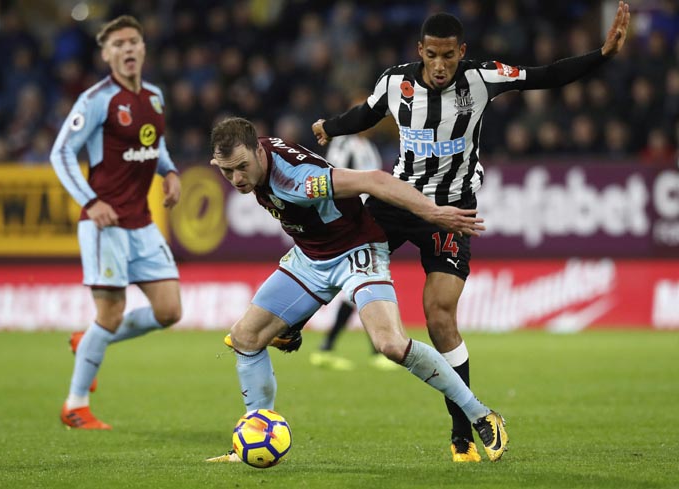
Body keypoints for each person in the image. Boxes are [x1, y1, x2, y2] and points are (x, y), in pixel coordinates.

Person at [311, 3, 631, 462]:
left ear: (462, 52)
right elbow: (365, 113)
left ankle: (463, 432)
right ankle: (294, 328)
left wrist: (602, 53)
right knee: (340, 254)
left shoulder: (483, 78)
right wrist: (330, 126)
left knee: (438, 316)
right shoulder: (394, 82)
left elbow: (547, 75)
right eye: (432, 56)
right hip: (399, 201)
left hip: (453, 209)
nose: (440, 66)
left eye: (449, 56)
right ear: (420, 51)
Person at [205, 117, 508, 463]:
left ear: (258, 150)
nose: (238, 179)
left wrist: (434, 212)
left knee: (390, 344)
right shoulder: (251, 154)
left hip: (356, 253)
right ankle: (255, 431)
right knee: (245, 337)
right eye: (227, 172)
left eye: (242, 167)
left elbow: (375, 181)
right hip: (310, 258)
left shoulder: (300, 181)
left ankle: (481, 414)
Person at [50, 15, 182, 430]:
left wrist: (171, 172)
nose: (128, 49)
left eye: (133, 42)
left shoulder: (155, 96)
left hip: (142, 223)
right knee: (110, 314)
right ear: (106, 55)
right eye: (118, 44)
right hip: (105, 224)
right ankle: (75, 406)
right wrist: (90, 201)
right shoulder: (96, 100)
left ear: (143, 48)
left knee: (169, 310)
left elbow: (153, 144)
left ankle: (87, 340)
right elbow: (61, 153)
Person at [309, 93, 399, 372]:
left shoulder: (366, 146)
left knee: (359, 282)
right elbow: (334, 178)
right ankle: (330, 346)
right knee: (359, 280)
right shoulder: (344, 145)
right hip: (352, 222)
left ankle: (349, 348)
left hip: (367, 219)